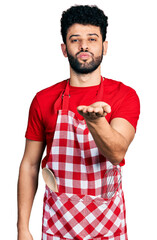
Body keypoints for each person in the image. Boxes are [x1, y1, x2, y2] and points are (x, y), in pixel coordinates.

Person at [17, 5, 140, 240]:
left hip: (107, 227)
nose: (84, 46)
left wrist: (96, 122)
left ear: (104, 46)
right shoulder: (43, 100)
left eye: (92, 39)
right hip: (58, 227)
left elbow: (117, 153)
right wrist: (23, 228)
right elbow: (30, 165)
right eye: (75, 39)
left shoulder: (124, 95)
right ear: (64, 49)